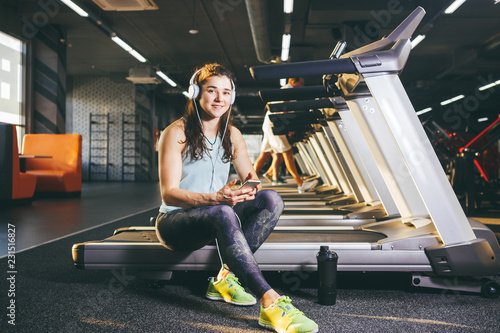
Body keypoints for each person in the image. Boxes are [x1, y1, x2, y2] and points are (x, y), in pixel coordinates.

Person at [155, 63, 318, 333]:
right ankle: (271, 303)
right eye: (212, 91)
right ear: (195, 93)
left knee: (271, 199)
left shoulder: (232, 135)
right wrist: (215, 198)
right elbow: (169, 194)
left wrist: (249, 187)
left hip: (215, 213)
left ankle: (225, 278)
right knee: (222, 211)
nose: (220, 98)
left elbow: (251, 176)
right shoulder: (176, 133)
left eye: (226, 92)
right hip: (175, 223)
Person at [254, 77, 318, 193]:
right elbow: (284, 106)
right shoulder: (289, 89)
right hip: (276, 123)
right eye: (301, 83)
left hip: (271, 122)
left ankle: (248, 183)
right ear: (294, 82)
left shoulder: (288, 90)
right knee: (288, 153)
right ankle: (301, 184)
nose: (302, 86)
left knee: (264, 155)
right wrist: (287, 125)